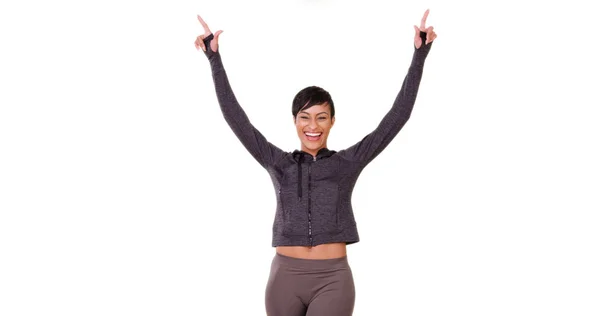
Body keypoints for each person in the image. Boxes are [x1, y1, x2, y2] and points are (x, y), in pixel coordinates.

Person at [195, 9, 436, 316]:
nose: (313, 125)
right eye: (305, 117)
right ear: (295, 121)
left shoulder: (348, 162)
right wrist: (214, 60)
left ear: (332, 122)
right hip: (284, 278)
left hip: (332, 278)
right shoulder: (277, 162)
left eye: (321, 117)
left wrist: (420, 55)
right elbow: (236, 118)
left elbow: (397, 116)